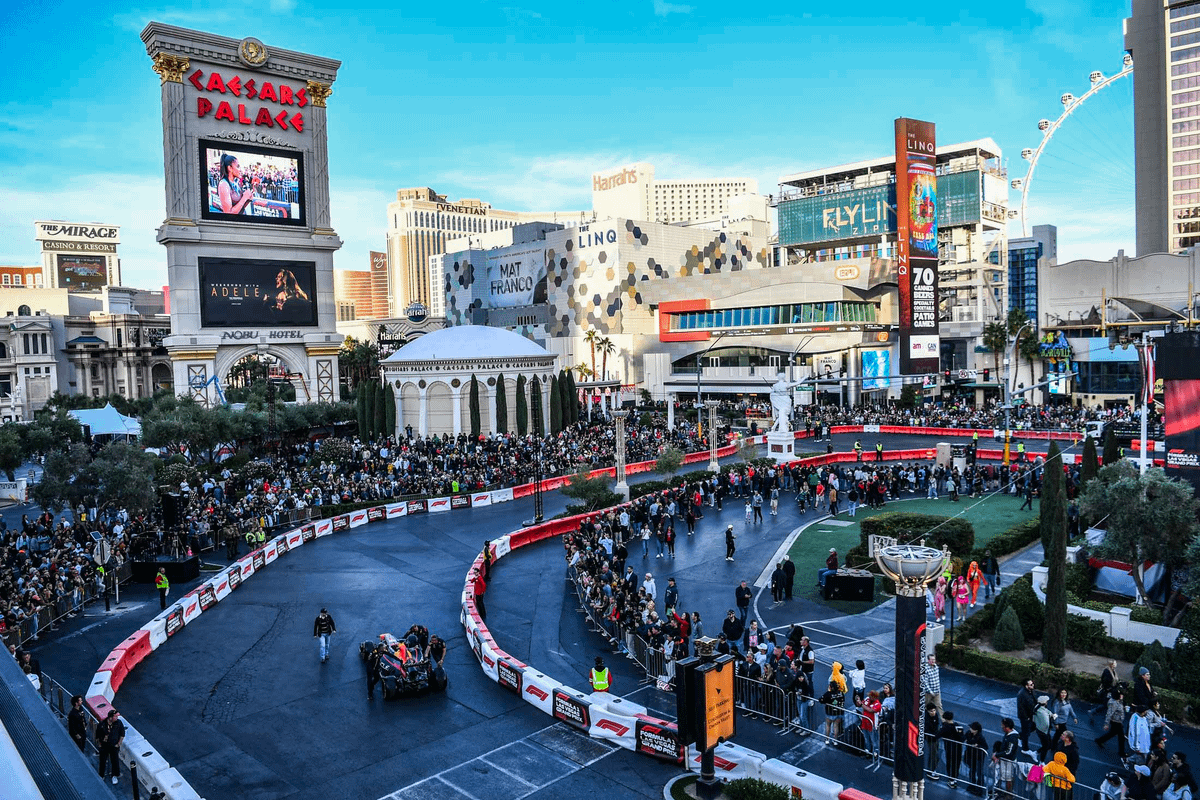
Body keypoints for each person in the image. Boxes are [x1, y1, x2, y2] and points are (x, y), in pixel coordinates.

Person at [1095, 686, 1127, 758]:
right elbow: (1109, 713)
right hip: (1116, 721)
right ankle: (1121, 752)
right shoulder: (1113, 703)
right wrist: (1106, 723)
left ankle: (1100, 740)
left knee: (1112, 734)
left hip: (1117, 721)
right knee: (1121, 737)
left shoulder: (1117, 701)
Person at [96, 709, 125, 785]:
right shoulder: (102, 724)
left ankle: (114, 775)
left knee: (115, 761)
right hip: (104, 746)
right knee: (102, 761)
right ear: (110, 717)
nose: (117, 718)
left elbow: (122, 734)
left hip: (114, 746)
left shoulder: (118, 723)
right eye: (115, 717)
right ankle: (101, 775)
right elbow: (97, 735)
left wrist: (118, 744)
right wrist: (100, 745)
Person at [940, 711, 965, 788]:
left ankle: (951, 779)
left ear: (945, 718)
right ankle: (955, 779)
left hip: (949, 748)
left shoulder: (945, 727)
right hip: (958, 748)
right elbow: (962, 738)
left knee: (949, 764)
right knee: (956, 764)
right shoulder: (958, 726)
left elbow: (938, 735)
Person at [997, 717, 1021, 796]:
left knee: (1008, 778)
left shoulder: (1012, 738)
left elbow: (1008, 752)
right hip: (1005, 760)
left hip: (1009, 761)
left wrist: (997, 755)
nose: (1001, 727)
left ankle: (1009, 795)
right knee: (1006, 777)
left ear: (1007, 727)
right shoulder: (1008, 734)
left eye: (1002, 726)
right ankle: (1005, 792)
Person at [965, 721, 988, 795]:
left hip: (978, 757)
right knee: (972, 771)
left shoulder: (980, 737)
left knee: (979, 772)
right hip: (971, 756)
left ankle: (979, 789)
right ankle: (972, 785)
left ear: (976, 730)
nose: (970, 729)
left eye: (972, 728)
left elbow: (985, 747)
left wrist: (978, 746)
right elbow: (963, 738)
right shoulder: (968, 733)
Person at [1017, 678, 1038, 750]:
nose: (1033, 685)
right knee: (1026, 732)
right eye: (1031, 684)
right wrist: (1026, 717)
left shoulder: (1032, 691)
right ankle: (1025, 749)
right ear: (1026, 686)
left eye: (1033, 683)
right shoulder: (1022, 694)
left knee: (1033, 727)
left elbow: (1034, 701)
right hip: (1025, 717)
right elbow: (1021, 708)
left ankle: (1019, 736)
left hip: (1032, 715)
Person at [923, 654, 943, 720]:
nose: (933, 661)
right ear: (928, 660)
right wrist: (930, 692)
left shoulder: (936, 667)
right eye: (931, 660)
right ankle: (925, 719)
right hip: (928, 693)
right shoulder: (926, 669)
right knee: (927, 706)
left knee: (939, 705)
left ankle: (944, 721)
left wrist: (938, 690)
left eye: (934, 659)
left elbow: (937, 679)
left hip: (937, 691)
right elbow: (925, 682)